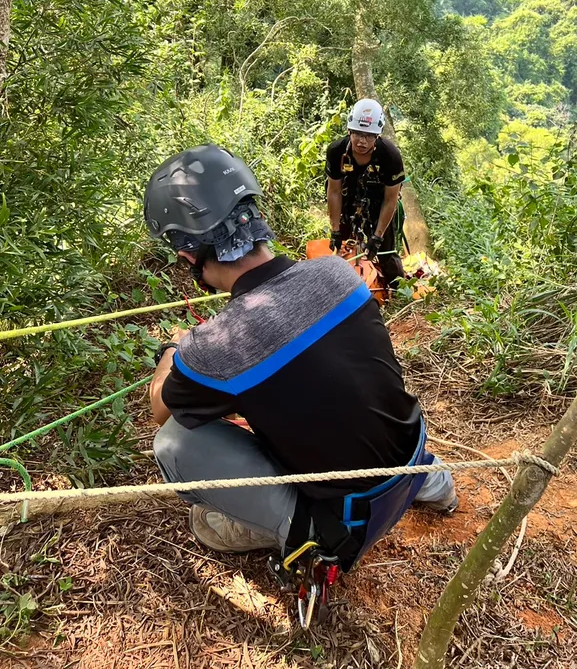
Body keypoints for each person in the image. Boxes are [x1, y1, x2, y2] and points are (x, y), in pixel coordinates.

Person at [144, 143, 457, 564]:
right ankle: (433, 482)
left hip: (348, 520)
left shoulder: (216, 347)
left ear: (187, 254)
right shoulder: (338, 273)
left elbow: (161, 408)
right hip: (412, 461)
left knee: (174, 444)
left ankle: (305, 534)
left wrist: (174, 350)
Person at [326, 98, 406, 289]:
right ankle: (341, 289)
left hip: (380, 202)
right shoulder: (337, 152)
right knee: (343, 247)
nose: (362, 141)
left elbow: (390, 199)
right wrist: (335, 229)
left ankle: (398, 291)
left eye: (369, 136)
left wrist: (377, 237)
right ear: (349, 131)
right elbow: (334, 191)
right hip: (347, 198)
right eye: (358, 134)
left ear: (377, 135)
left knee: (386, 252)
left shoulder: (390, 156)